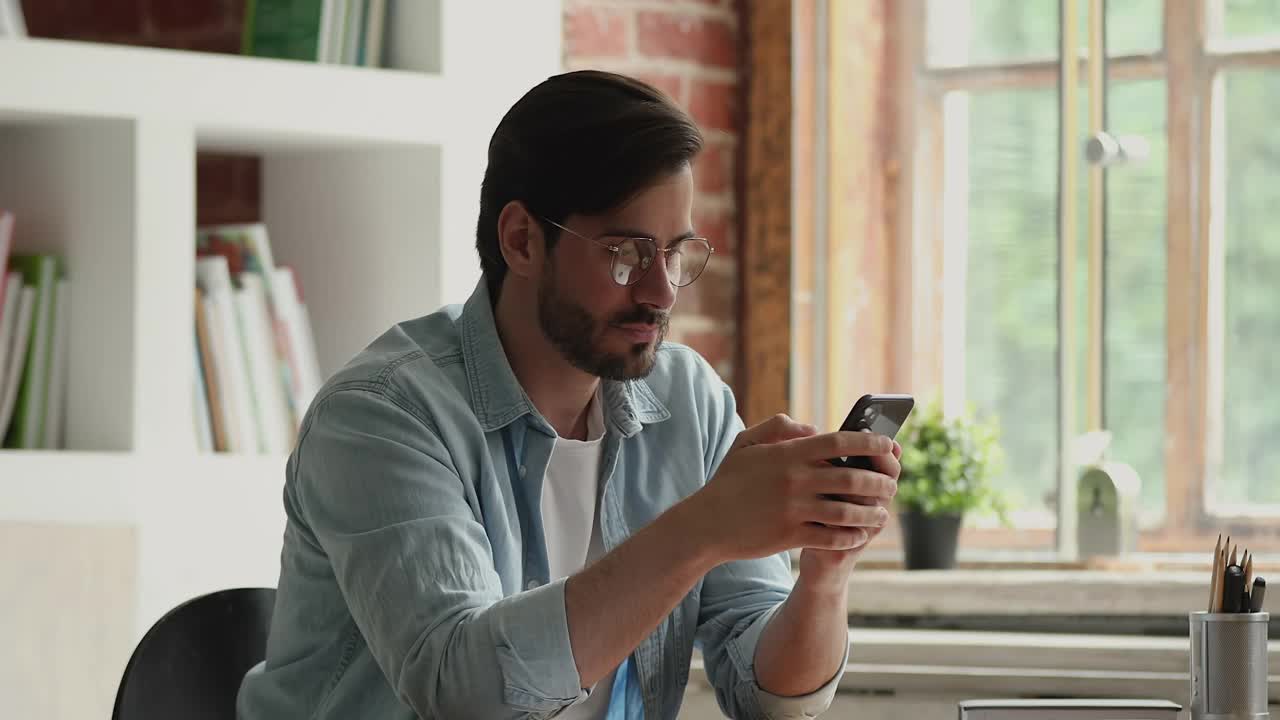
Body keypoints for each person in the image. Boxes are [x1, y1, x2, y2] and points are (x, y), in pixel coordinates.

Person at [236, 70, 900, 720]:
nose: (661, 292)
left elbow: (767, 697)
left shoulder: (686, 399)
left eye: (674, 254)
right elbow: (465, 694)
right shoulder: (381, 416)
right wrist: (704, 527)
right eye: (626, 254)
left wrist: (823, 574)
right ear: (522, 240)